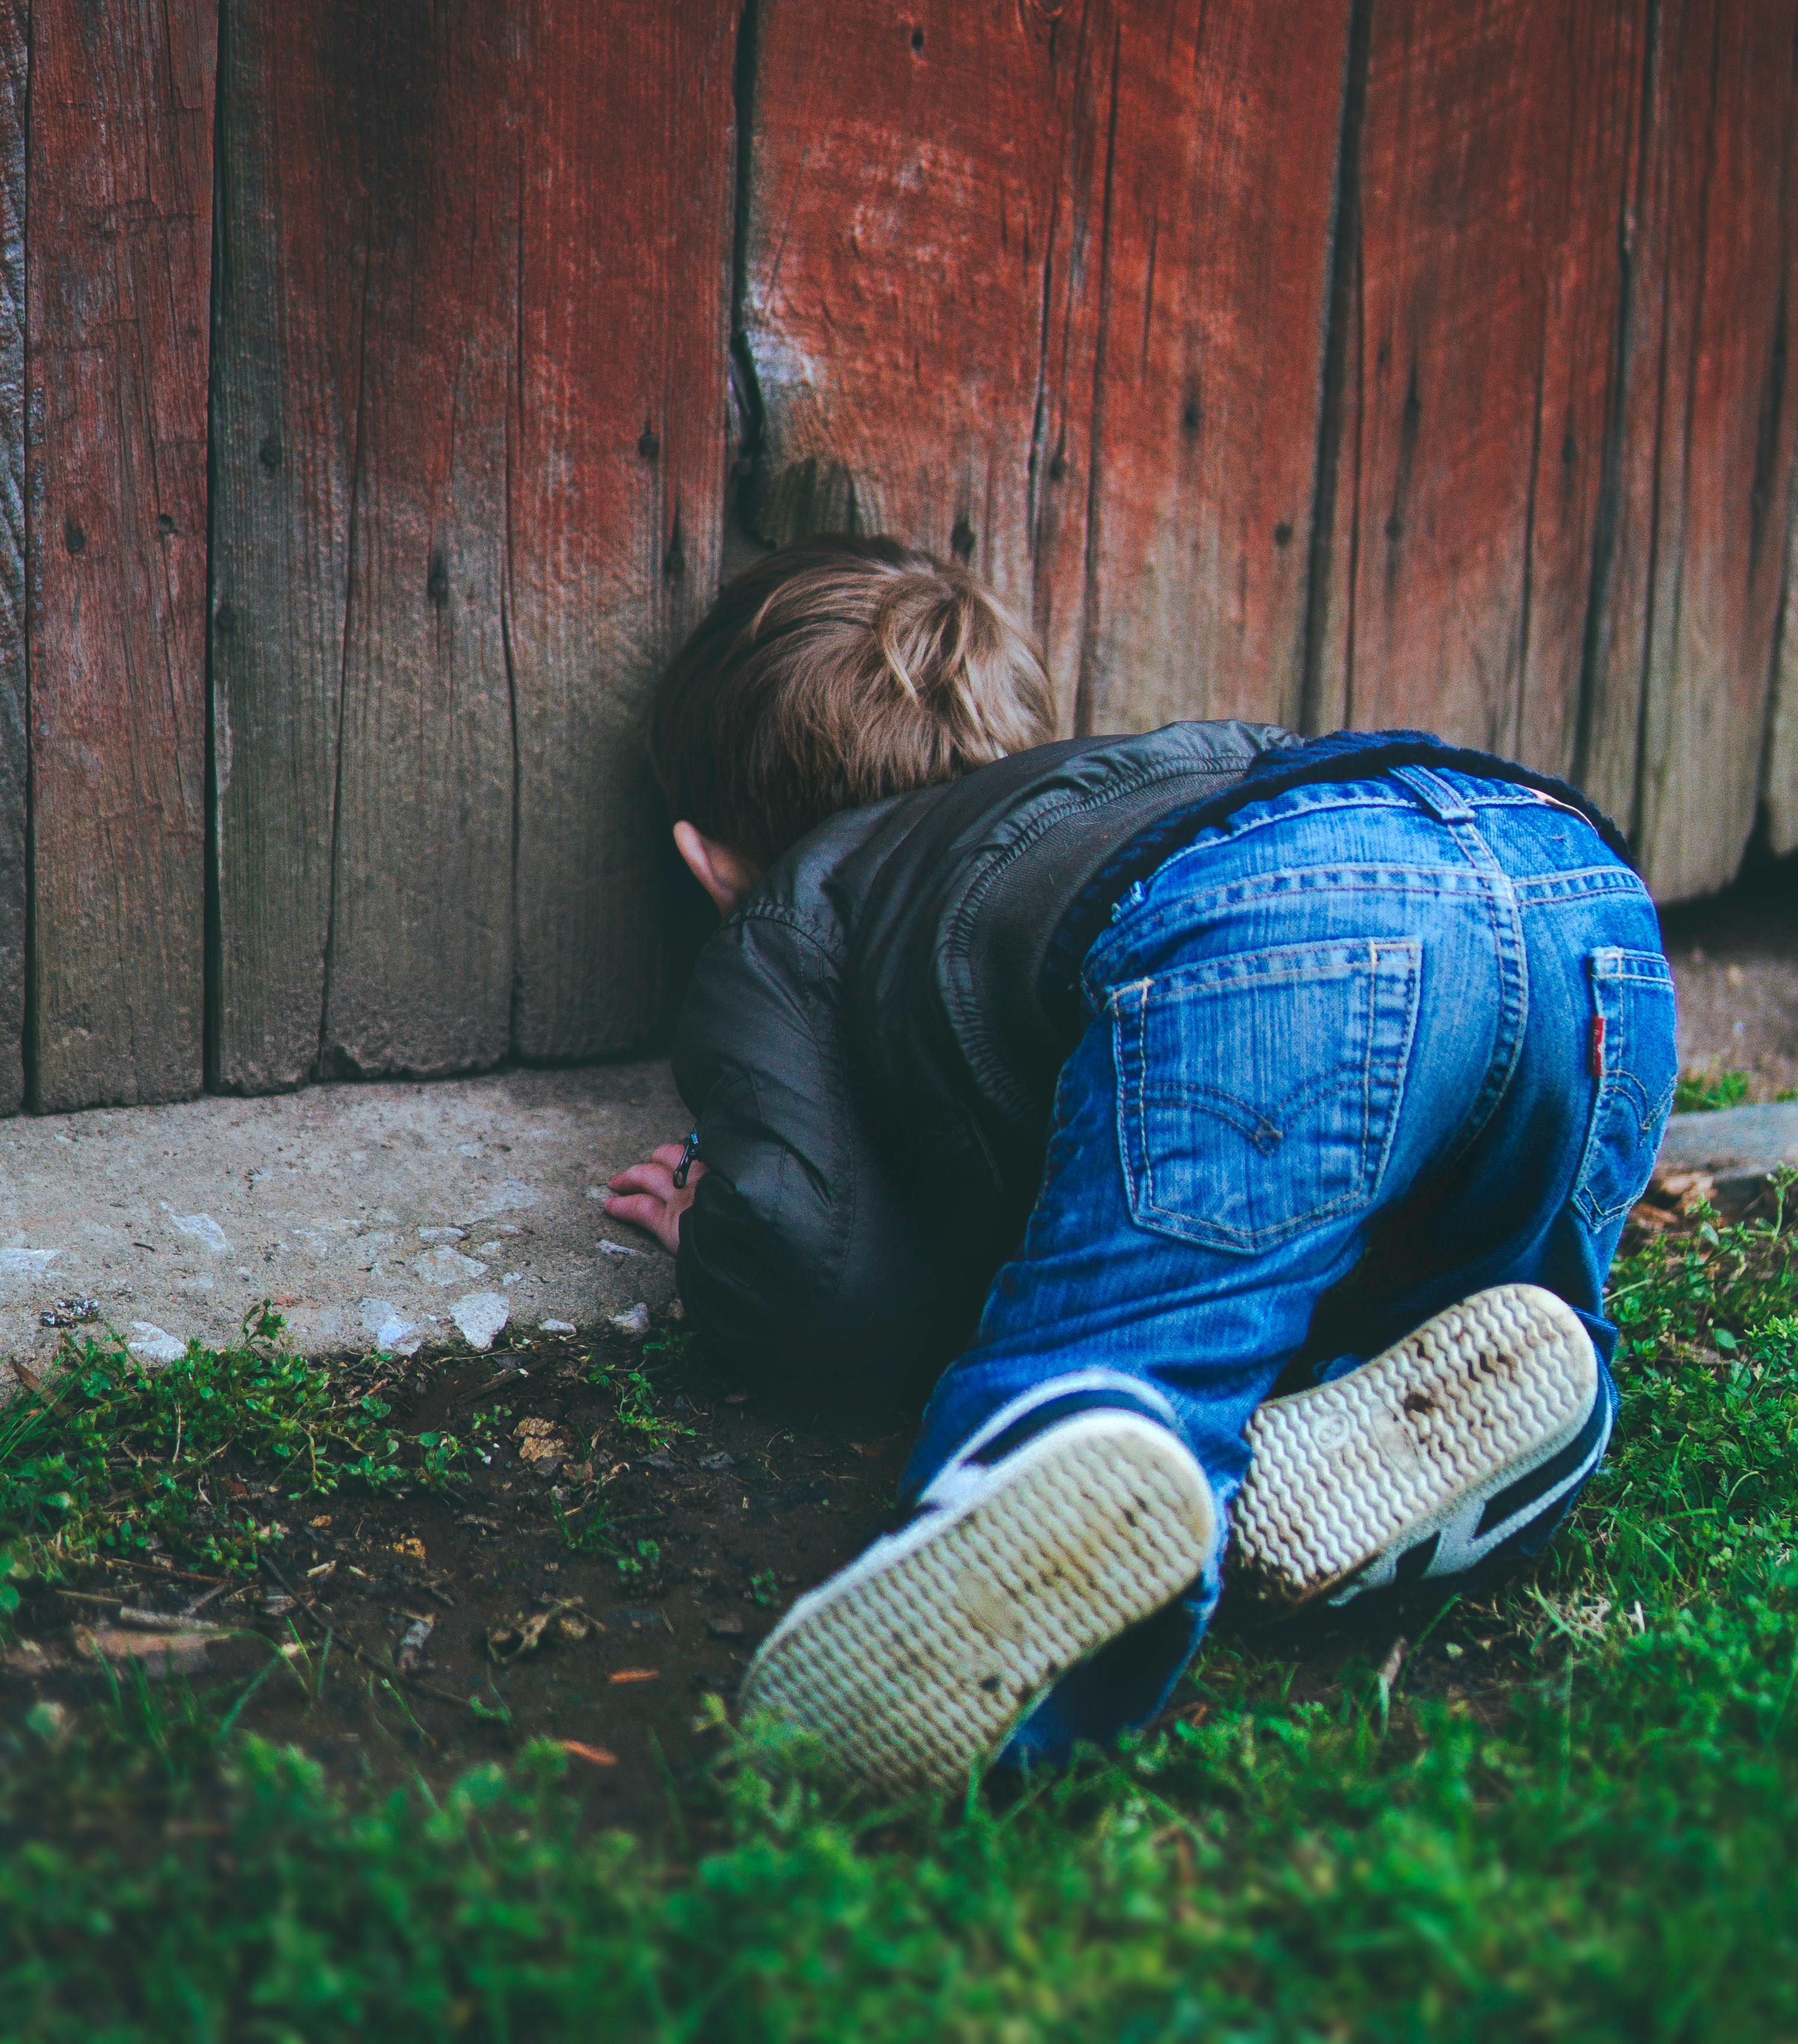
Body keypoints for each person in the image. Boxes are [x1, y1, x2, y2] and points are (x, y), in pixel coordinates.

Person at [605, 535, 1677, 1793]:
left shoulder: (794, 907)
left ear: (707, 862)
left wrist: (718, 1241)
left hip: (1278, 926)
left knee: (1134, 1339)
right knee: (1354, 1231)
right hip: (1573, 890)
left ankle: (1102, 1424)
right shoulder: (1123, 784)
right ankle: (1487, 1366)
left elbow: (818, 1271)